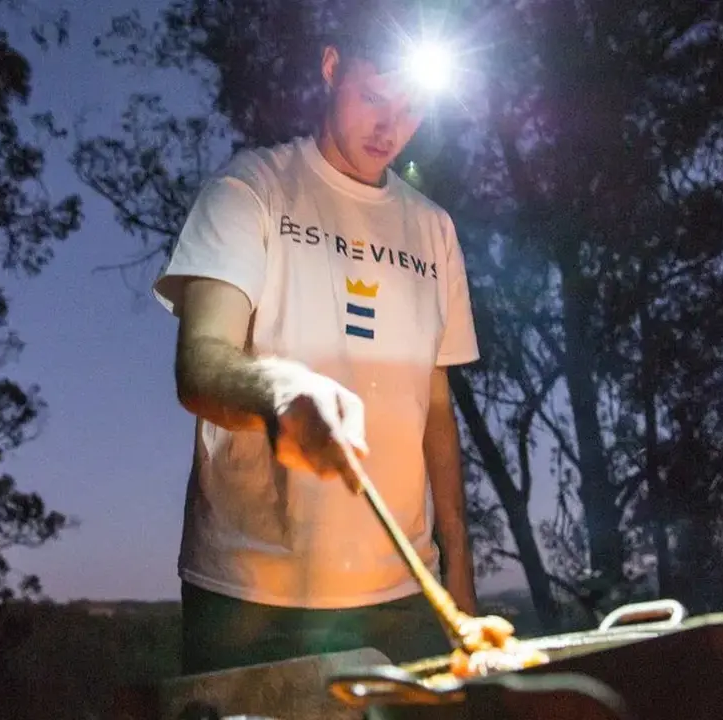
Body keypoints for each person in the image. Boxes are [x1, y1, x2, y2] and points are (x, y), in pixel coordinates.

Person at [152, 13, 480, 676]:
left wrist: (459, 585)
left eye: (412, 107)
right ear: (332, 69)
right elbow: (201, 363)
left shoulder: (434, 230)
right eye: (373, 98)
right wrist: (282, 393)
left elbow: (436, 412)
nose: (391, 126)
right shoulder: (250, 190)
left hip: (399, 597)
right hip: (250, 598)